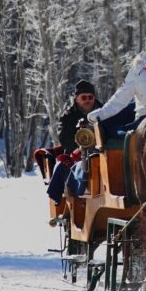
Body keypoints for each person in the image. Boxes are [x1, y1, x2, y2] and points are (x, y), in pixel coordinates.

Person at [45, 80, 102, 222]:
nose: (88, 100)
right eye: (84, 97)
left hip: (101, 153)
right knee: (62, 167)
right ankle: (64, 200)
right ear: (76, 99)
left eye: (90, 97)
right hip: (76, 155)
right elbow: (64, 138)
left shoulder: (104, 111)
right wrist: (79, 149)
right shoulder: (68, 116)